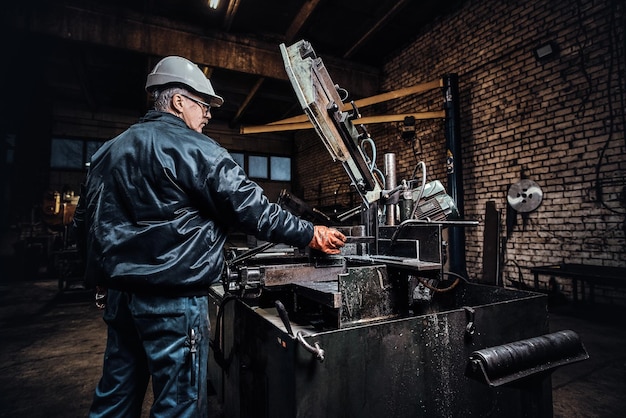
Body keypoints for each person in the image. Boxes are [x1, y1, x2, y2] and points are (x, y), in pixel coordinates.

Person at [74, 55, 346, 418]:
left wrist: (99, 279)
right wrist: (310, 233)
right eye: (203, 105)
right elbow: (255, 211)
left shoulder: (107, 152)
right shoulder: (197, 150)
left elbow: (84, 223)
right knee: (178, 405)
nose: (208, 114)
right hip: (172, 300)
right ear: (178, 101)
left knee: (116, 396)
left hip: (121, 298)